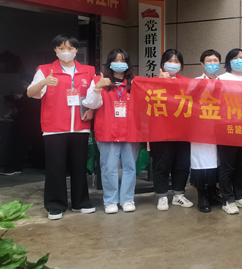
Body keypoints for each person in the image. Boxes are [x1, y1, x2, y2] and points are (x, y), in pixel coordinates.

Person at [26, 34, 96, 220]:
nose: (66, 52)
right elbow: (31, 93)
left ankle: (81, 202)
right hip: (54, 127)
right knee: (55, 168)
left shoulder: (88, 71)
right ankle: (55, 205)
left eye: (70, 48)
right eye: (61, 48)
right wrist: (43, 82)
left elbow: (94, 96)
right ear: (55, 50)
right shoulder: (45, 70)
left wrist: (91, 110)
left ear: (76, 50)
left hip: (80, 125)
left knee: (79, 167)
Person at [82, 49, 138, 214]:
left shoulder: (134, 83)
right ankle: (110, 201)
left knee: (130, 167)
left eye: (123, 60)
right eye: (115, 60)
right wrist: (97, 88)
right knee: (109, 168)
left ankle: (127, 199)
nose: (119, 64)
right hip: (107, 131)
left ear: (128, 63)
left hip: (130, 132)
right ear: (109, 63)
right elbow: (90, 104)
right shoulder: (98, 81)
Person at [150, 49, 194, 211]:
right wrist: (162, 82)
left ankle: (178, 195)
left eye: (177, 61)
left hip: (182, 131)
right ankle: (161, 196)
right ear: (162, 64)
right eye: (170, 61)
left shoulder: (187, 82)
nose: (173, 64)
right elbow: (146, 102)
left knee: (181, 164)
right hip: (160, 131)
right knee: (161, 164)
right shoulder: (153, 82)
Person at [217, 48, 242, 215]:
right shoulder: (221, 79)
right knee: (227, 165)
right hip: (227, 126)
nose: (239, 60)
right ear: (229, 62)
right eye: (235, 58)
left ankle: (240, 195)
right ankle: (228, 199)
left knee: (241, 164)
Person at [190, 49, 223, 212]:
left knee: (216, 162)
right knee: (200, 162)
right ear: (202, 64)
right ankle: (201, 196)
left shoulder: (224, 82)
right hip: (200, 128)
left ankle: (212, 192)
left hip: (219, 128)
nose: (212, 64)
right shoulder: (195, 82)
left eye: (215, 61)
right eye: (209, 61)